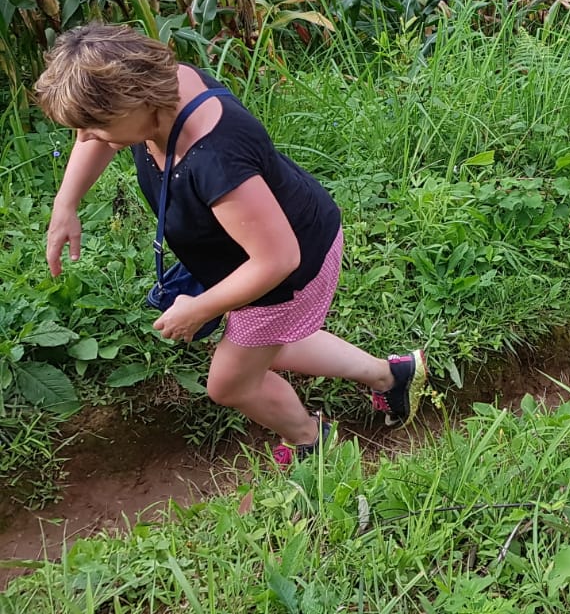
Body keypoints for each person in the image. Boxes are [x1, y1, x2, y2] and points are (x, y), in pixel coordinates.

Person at [35, 24, 425, 467]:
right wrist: (65, 204)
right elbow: (92, 134)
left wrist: (200, 309)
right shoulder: (159, 86)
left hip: (285, 270)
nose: (86, 138)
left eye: (96, 127)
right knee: (266, 346)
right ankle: (392, 376)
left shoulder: (214, 155)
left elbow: (278, 259)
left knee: (230, 384)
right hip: (250, 250)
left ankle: (311, 442)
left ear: (137, 101)